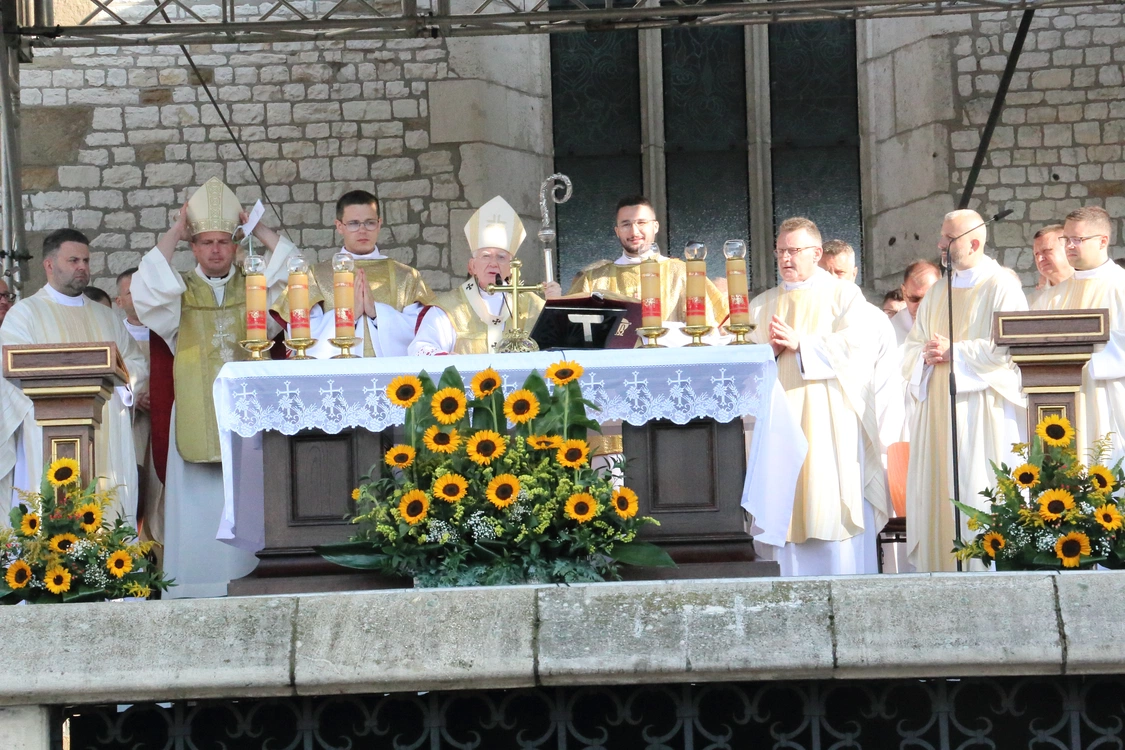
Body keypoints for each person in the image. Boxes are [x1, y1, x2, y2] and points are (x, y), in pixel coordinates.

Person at [131, 176, 295, 598]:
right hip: (194, 417)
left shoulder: (256, 288)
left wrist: (257, 227)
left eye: (224, 241)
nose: (216, 250)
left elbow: (296, 275)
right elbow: (145, 285)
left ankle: (254, 587)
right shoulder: (177, 295)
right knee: (197, 511)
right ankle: (194, 589)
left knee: (249, 504)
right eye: (206, 242)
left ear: (236, 245)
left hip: (251, 423)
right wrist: (176, 229)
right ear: (193, 247)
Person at [747, 217, 888, 576]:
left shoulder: (843, 295)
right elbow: (745, 365)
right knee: (783, 500)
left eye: (794, 250)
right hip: (778, 422)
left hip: (829, 424)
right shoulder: (761, 305)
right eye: (780, 251)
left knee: (826, 502)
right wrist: (769, 353)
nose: (785, 258)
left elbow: (860, 348)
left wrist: (803, 345)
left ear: (816, 252)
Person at [902, 209, 1027, 573]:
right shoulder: (938, 290)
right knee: (941, 494)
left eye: (949, 238)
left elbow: (1010, 347)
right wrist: (925, 355)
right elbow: (911, 346)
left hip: (981, 411)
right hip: (937, 412)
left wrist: (955, 351)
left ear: (973, 243)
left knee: (977, 490)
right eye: (942, 236)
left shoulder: (1002, 285)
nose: (940, 244)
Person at [0, 228, 148, 522]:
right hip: (43, 431)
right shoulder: (25, 314)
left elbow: (135, 363)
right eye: (74, 260)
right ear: (49, 264)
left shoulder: (107, 317)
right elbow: (9, 376)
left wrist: (119, 382)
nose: (82, 267)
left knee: (108, 511)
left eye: (86, 261)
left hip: (105, 428)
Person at [273, 190, 434, 358]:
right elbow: (304, 333)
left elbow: (425, 329)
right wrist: (349, 315)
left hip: (395, 373)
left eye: (370, 223)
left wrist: (377, 313)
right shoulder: (315, 276)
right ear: (339, 226)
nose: (362, 230)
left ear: (379, 224)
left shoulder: (406, 276)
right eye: (353, 223)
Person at [1031, 206, 1125, 464]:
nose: (1069, 246)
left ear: (1102, 241)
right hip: (1062, 404)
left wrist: (1080, 352)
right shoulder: (1052, 296)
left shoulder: (1120, 285)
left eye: (1078, 239)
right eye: (1066, 239)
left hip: (1111, 400)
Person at [558, 195, 728, 327]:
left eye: (641, 222)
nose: (634, 231)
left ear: (655, 226)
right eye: (626, 224)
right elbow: (568, 328)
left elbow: (710, 329)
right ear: (617, 231)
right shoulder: (592, 280)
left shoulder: (684, 273)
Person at [410, 196, 550, 355]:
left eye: (501, 257)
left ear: (512, 268)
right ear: (472, 266)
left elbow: (557, 344)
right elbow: (421, 348)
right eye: (486, 256)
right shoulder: (448, 308)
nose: (493, 263)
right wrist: (449, 359)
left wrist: (554, 304)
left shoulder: (532, 305)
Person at [116, 267, 163, 553]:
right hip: (130, 423)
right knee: (133, 487)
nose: (139, 296)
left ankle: (160, 552)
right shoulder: (115, 333)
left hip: (163, 419)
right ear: (119, 300)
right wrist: (133, 397)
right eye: (131, 292)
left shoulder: (166, 329)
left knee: (161, 492)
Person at [891, 260, 942, 346]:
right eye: (915, 298)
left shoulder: (954, 323)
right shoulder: (892, 330)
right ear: (904, 292)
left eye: (929, 299)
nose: (921, 305)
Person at [1027, 224, 1071, 308]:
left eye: (1046, 251)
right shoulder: (1032, 302)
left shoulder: (1088, 289)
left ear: (1067, 249)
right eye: (1036, 254)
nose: (1039, 259)